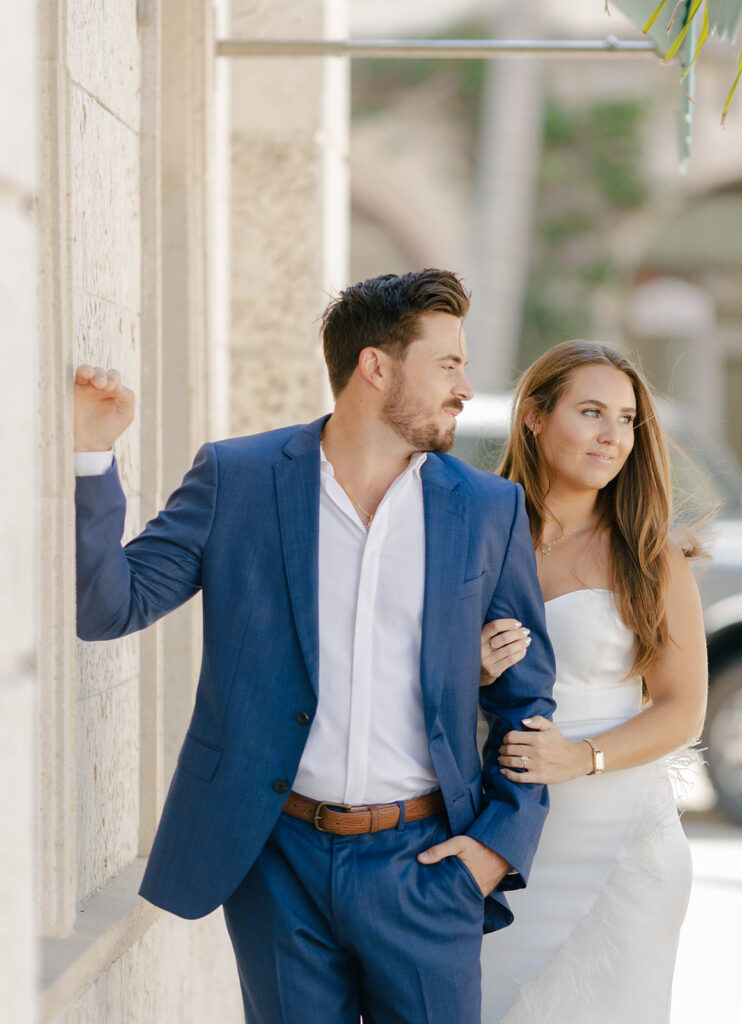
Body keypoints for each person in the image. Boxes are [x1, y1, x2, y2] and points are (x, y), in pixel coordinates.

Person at [73, 269, 556, 1024]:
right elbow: (109, 606)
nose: (464, 386)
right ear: (375, 366)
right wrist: (91, 458)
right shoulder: (239, 479)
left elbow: (526, 702)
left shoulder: (488, 510)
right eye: (448, 364)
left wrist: (496, 847)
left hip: (426, 866)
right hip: (277, 862)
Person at [477, 340, 708, 1023]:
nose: (613, 435)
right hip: (499, 844)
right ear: (533, 416)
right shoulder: (475, 535)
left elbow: (681, 709)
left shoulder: (649, 557)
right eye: (590, 411)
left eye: (627, 419)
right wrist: (471, 670)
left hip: (616, 851)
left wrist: (579, 758)